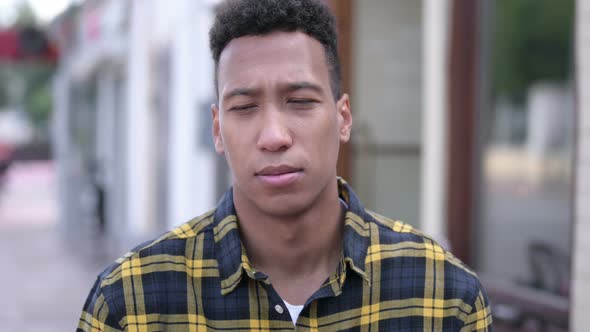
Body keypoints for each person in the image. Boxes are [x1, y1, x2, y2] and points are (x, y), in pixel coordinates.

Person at [77, 0, 493, 330]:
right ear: (218, 130)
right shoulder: (132, 301)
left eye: (300, 101)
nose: (274, 135)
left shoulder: (441, 296)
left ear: (343, 118)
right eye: (244, 107)